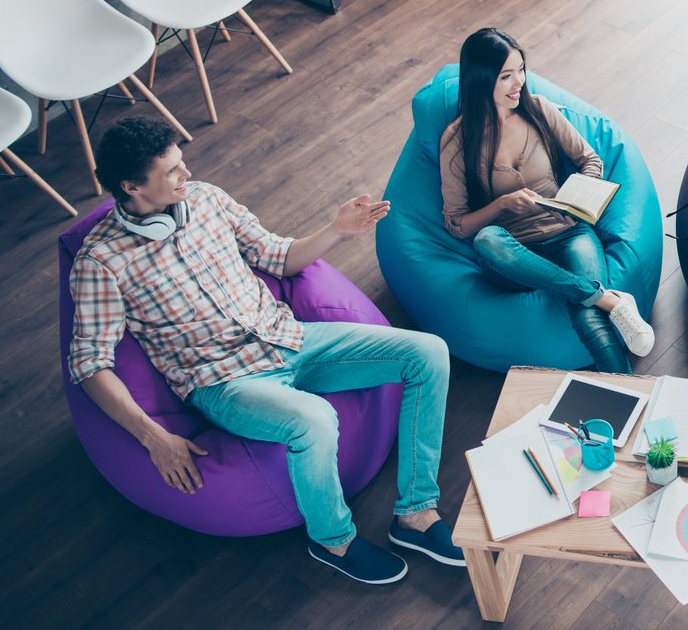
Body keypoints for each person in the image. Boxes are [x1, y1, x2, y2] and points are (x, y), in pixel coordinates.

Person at [69, 115, 457, 585]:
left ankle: (415, 514)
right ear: (131, 186)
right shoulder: (100, 262)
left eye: (182, 163)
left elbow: (277, 255)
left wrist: (337, 229)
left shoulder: (207, 200)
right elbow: (90, 364)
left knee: (429, 352)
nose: (186, 175)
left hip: (289, 338)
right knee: (314, 419)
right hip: (226, 382)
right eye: (171, 172)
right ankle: (333, 540)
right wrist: (154, 437)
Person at [439, 28, 653, 371]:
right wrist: (502, 205)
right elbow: (456, 224)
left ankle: (633, 400)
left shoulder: (537, 109)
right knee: (486, 239)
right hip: (514, 251)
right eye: (506, 76)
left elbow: (591, 161)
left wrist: (576, 201)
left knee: (587, 319)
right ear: (481, 79)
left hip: (568, 231)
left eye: (521, 70)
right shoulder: (456, 141)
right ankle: (608, 300)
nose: (519, 83)